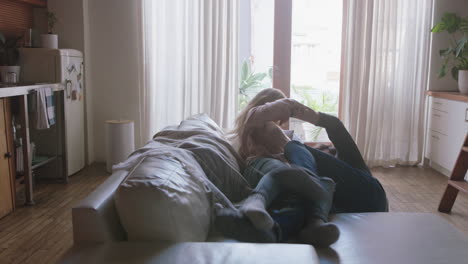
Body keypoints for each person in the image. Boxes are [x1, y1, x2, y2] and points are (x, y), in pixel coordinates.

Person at [216, 88, 388, 247]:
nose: (282, 124)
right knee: (304, 201)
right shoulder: (253, 153)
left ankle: (304, 177)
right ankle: (276, 231)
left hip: (371, 195)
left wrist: (288, 137)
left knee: (301, 159)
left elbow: (335, 127)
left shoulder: (294, 150)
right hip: (333, 202)